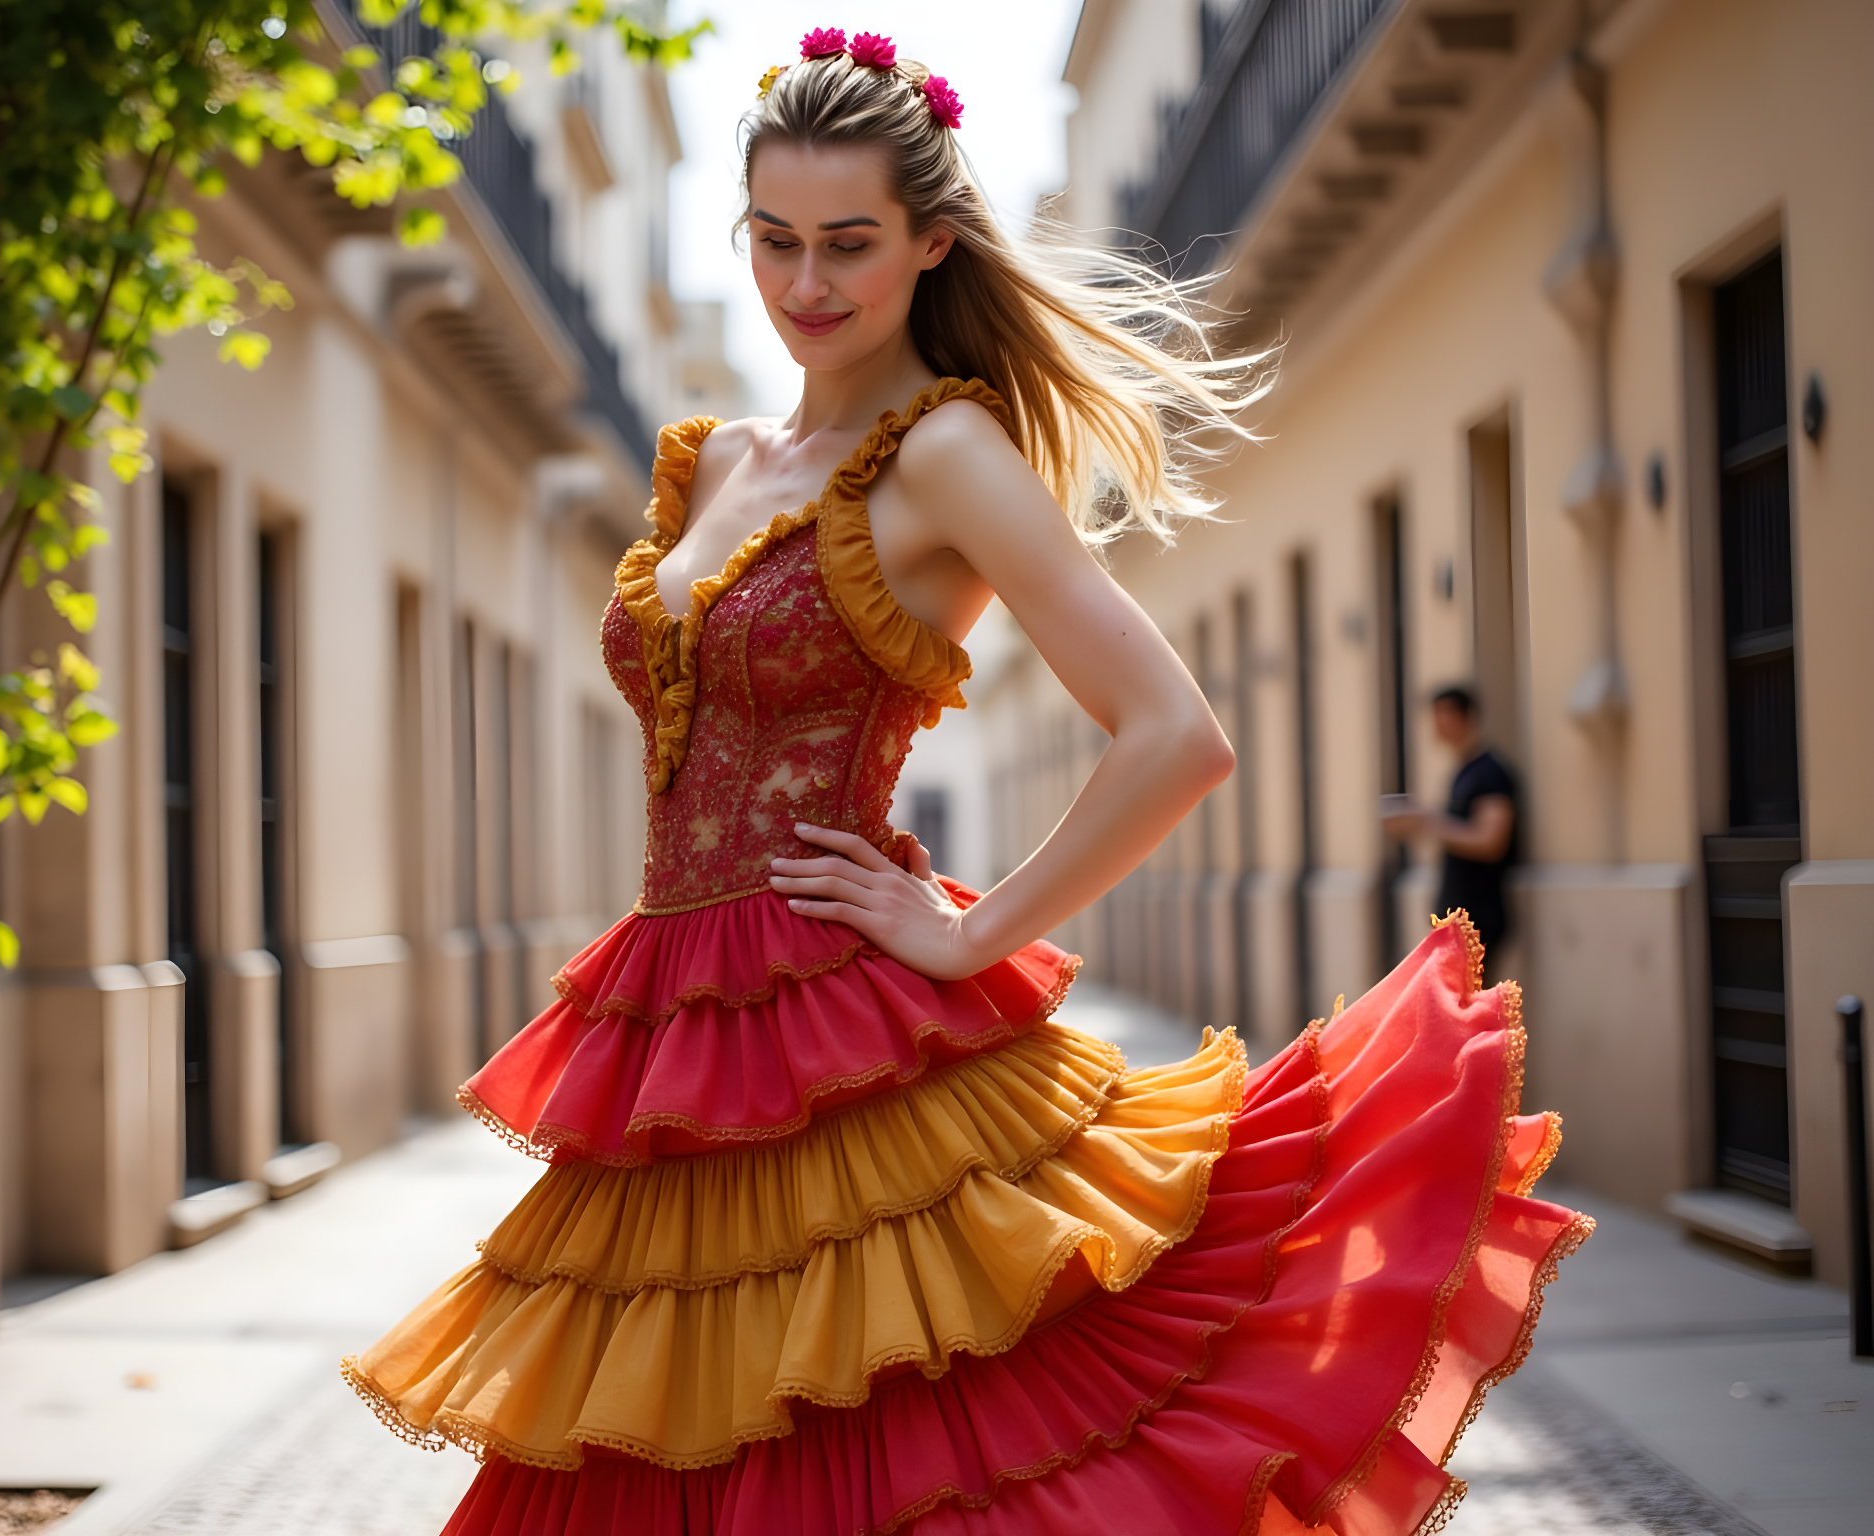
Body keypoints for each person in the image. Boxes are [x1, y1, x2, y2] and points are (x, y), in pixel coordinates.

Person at [346, 31, 1589, 1536]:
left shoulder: (941, 455)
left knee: (874, 1457)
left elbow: (1175, 734)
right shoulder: (719, 461)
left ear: (931, 243)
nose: (808, 285)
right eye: (775, 241)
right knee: (664, 1454)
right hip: (671, 1040)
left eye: (850, 246)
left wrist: (964, 932)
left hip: (842, 1030)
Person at [1382, 685, 1520, 951]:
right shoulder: (1463, 772)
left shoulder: (1489, 773)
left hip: (1479, 913)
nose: (1438, 725)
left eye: (1445, 715)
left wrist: (1426, 820)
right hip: (1460, 915)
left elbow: (1490, 840)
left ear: (1467, 717)